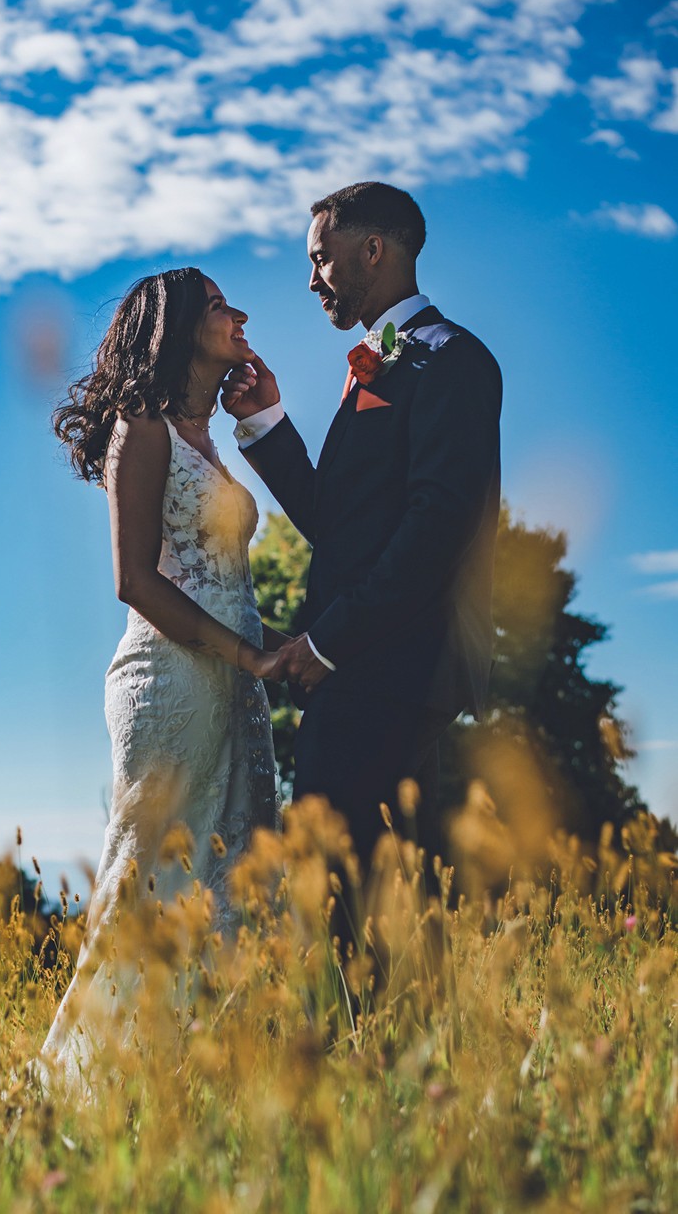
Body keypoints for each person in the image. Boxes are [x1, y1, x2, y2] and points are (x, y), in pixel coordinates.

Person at [39, 268, 283, 1087]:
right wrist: (250, 655)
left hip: (230, 679)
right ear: (178, 329)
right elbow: (136, 581)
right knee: (154, 881)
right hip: (169, 685)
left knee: (230, 879)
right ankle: (80, 1095)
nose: (239, 313)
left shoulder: (210, 439)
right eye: (219, 306)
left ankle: (198, 1081)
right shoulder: (141, 430)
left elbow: (224, 582)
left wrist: (290, 651)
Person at [223, 182, 502, 875]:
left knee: (342, 901)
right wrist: (266, 423)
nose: (311, 279)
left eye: (321, 258)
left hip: (390, 668)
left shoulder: (450, 359)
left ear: (372, 249)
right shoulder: (376, 362)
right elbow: (343, 525)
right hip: (366, 669)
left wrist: (328, 643)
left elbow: (439, 523)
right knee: (380, 905)